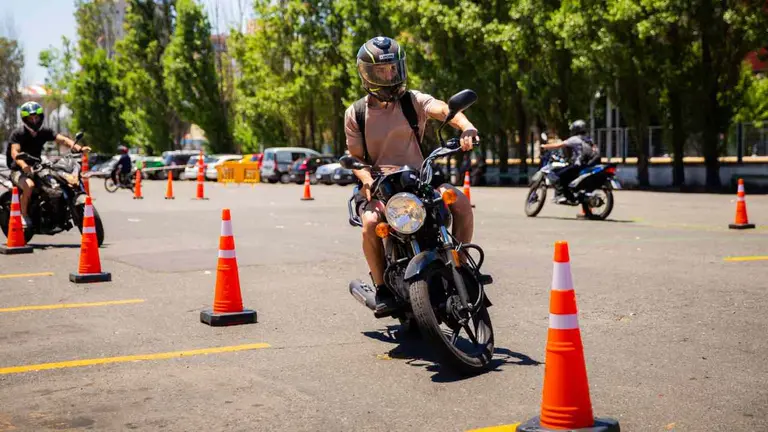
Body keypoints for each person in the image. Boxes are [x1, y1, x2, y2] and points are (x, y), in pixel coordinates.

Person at [344, 36, 479, 315]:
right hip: (381, 185)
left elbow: (442, 109)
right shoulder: (356, 113)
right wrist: (366, 180)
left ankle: (461, 266)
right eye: (381, 70)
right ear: (366, 73)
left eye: (393, 68)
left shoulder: (412, 100)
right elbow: (356, 158)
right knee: (370, 223)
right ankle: (382, 288)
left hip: (420, 177)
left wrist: (465, 125)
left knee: (461, 204)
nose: (388, 74)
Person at [5, 101, 90, 227]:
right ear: (25, 119)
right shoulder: (18, 133)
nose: (34, 120)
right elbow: (14, 152)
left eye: (36, 117)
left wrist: (78, 147)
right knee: (29, 186)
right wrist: (23, 165)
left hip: (37, 166)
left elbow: (63, 139)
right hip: (18, 170)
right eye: (31, 118)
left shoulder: (44, 131)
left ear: (40, 117)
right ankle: (23, 216)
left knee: (56, 180)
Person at [540, 119, 597, 203]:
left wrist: (545, 146)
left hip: (578, 166)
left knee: (557, 175)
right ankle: (571, 195)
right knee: (567, 176)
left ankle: (561, 195)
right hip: (588, 165)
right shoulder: (589, 139)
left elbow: (559, 145)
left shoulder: (575, 139)